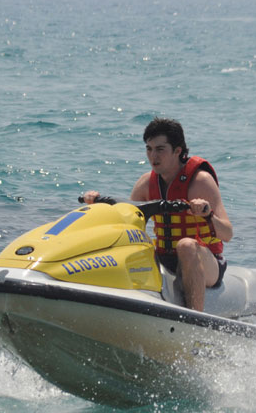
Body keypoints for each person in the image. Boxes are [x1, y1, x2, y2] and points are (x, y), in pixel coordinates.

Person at [83, 117, 233, 312]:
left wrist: (207, 214)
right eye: (149, 149)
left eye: (160, 149)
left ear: (178, 151)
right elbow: (124, 222)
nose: (153, 156)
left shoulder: (200, 182)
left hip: (207, 260)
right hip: (165, 257)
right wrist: (96, 204)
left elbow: (228, 234)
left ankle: (195, 322)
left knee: (186, 245)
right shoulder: (146, 184)